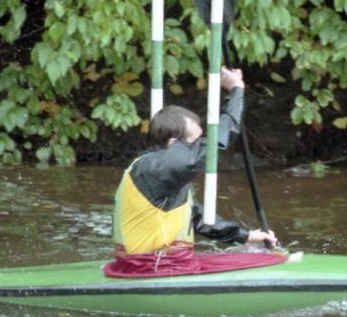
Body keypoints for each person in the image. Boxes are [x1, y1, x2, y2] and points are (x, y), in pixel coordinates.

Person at [107, 67, 280, 277]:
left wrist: (245, 237)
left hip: (157, 262)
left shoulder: (162, 176)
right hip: (153, 265)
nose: (200, 147)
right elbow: (217, 143)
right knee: (267, 261)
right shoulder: (155, 169)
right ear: (173, 144)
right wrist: (236, 90)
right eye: (195, 143)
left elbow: (198, 220)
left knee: (263, 258)